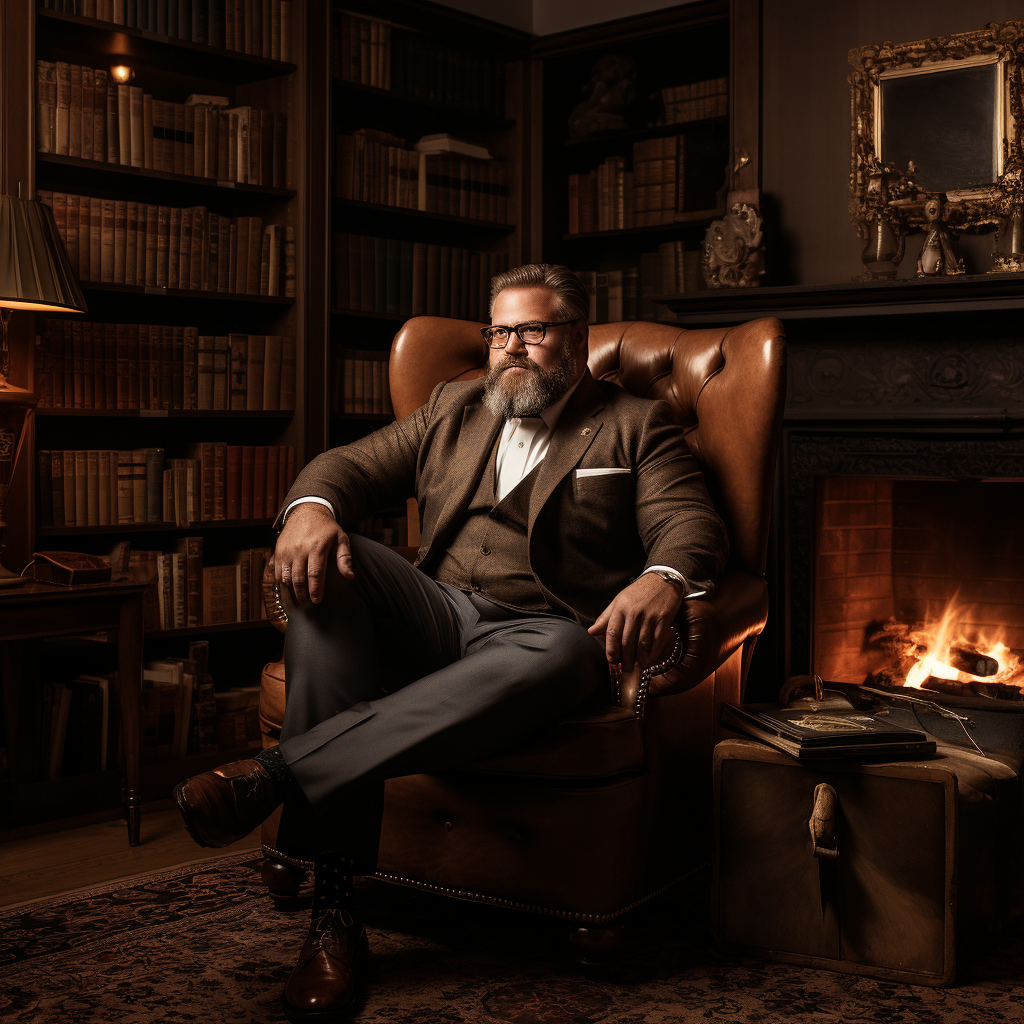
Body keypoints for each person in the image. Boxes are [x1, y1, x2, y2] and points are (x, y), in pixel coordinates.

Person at [174, 263, 728, 1022]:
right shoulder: (453, 405)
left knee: (571, 651)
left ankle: (285, 803)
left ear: (577, 337)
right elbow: (348, 465)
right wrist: (309, 507)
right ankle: (336, 914)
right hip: (435, 609)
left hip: (541, 635)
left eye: (532, 330)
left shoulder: (637, 423)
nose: (512, 349)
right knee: (330, 569)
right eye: (500, 331)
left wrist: (662, 576)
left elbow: (691, 524)